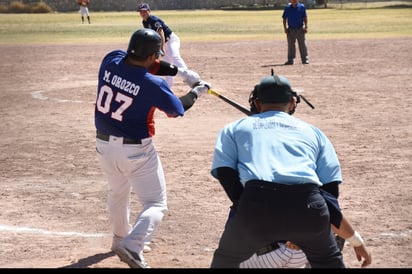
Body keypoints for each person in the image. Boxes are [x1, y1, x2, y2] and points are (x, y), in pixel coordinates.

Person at [94, 28, 210, 268]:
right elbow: (177, 109)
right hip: (136, 152)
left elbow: (147, 64)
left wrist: (180, 72)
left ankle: (119, 240)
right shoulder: (153, 84)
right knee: (156, 203)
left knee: (118, 192)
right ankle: (132, 245)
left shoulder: (110, 60)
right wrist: (196, 91)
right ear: (152, 56)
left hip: (104, 145)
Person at [210, 74, 346, 268]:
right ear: (292, 102)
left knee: (226, 259)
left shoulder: (234, 128)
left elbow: (225, 172)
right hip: (309, 205)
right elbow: (330, 187)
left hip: (257, 203)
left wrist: (245, 204)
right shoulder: (313, 132)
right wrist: (317, 224)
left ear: (257, 103)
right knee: (328, 260)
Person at [137, 2, 190, 88]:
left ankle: (188, 76)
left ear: (149, 11)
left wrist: (161, 47)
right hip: (163, 43)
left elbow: (160, 32)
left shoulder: (153, 19)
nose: (142, 13)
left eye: (144, 11)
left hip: (171, 40)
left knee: (174, 56)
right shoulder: (144, 22)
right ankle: (169, 87)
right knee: (167, 66)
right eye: (141, 12)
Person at [282, 0, 309, 65]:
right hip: (291, 29)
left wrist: (306, 26)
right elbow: (284, 18)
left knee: (302, 44)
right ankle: (290, 60)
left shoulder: (302, 7)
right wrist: (285, 28)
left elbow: (305, 17)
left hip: (300, 28)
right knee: (291, 45)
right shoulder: (287, 8)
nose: (294, 1)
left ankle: (305, 59)